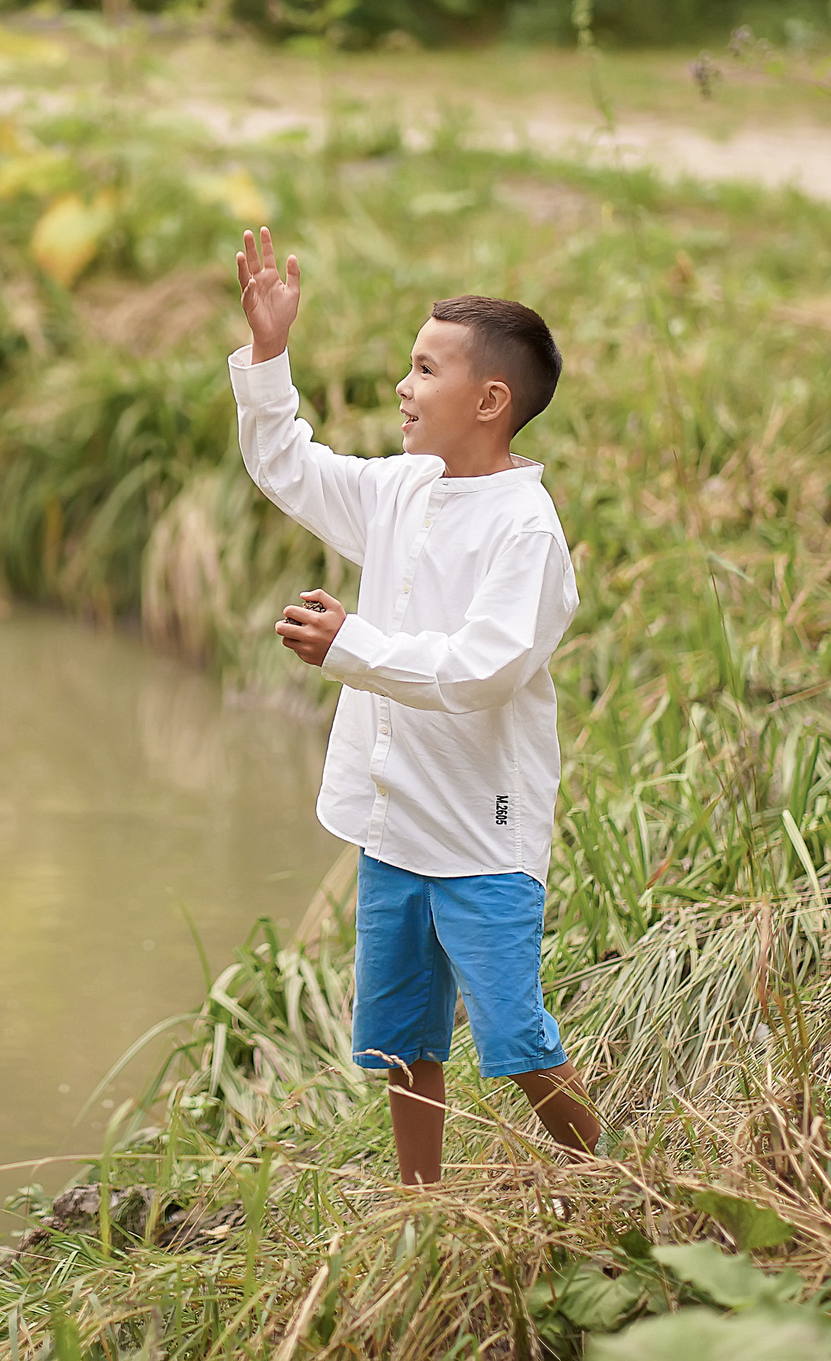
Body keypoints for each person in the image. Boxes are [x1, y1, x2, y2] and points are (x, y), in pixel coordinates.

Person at [229, 225, 600, 1186]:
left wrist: (350, 645)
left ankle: (611, 1180)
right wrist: (269, 352)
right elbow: (288, 466)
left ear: (490, 400)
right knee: (403, 1036)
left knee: (515, 1037)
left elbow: (481, 670)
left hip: (482, 830)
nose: (404, 385)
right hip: (393, 820)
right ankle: (420, 1207)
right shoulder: (400, 489)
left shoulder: (526, 531)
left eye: (426, 369)